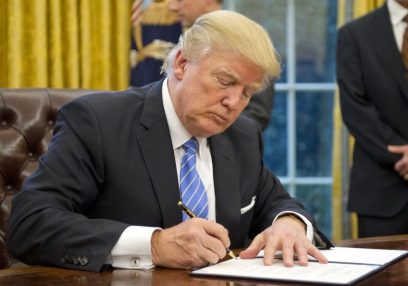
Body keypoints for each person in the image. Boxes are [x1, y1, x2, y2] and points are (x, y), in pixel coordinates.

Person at [7, 11, 327, 272]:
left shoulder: (241, 135)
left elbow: (278, 203)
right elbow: (31, 224)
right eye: (225, 81)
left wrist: (289, 223)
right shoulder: (98, 122)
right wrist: (154, 245)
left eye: (247, 92)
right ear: (182, 64)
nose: (234, 102)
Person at [131, 0, 275, 131]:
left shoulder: (248, 43)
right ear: (181, 63)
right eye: (224, 81)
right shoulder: (180, 38)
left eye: (180, 0)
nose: (172, 6)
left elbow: (255, 116)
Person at [337, 0, 408, 238]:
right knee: (381, 276)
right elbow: (355, 108)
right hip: (381, 191)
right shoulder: (354, 34)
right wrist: (403, 156)